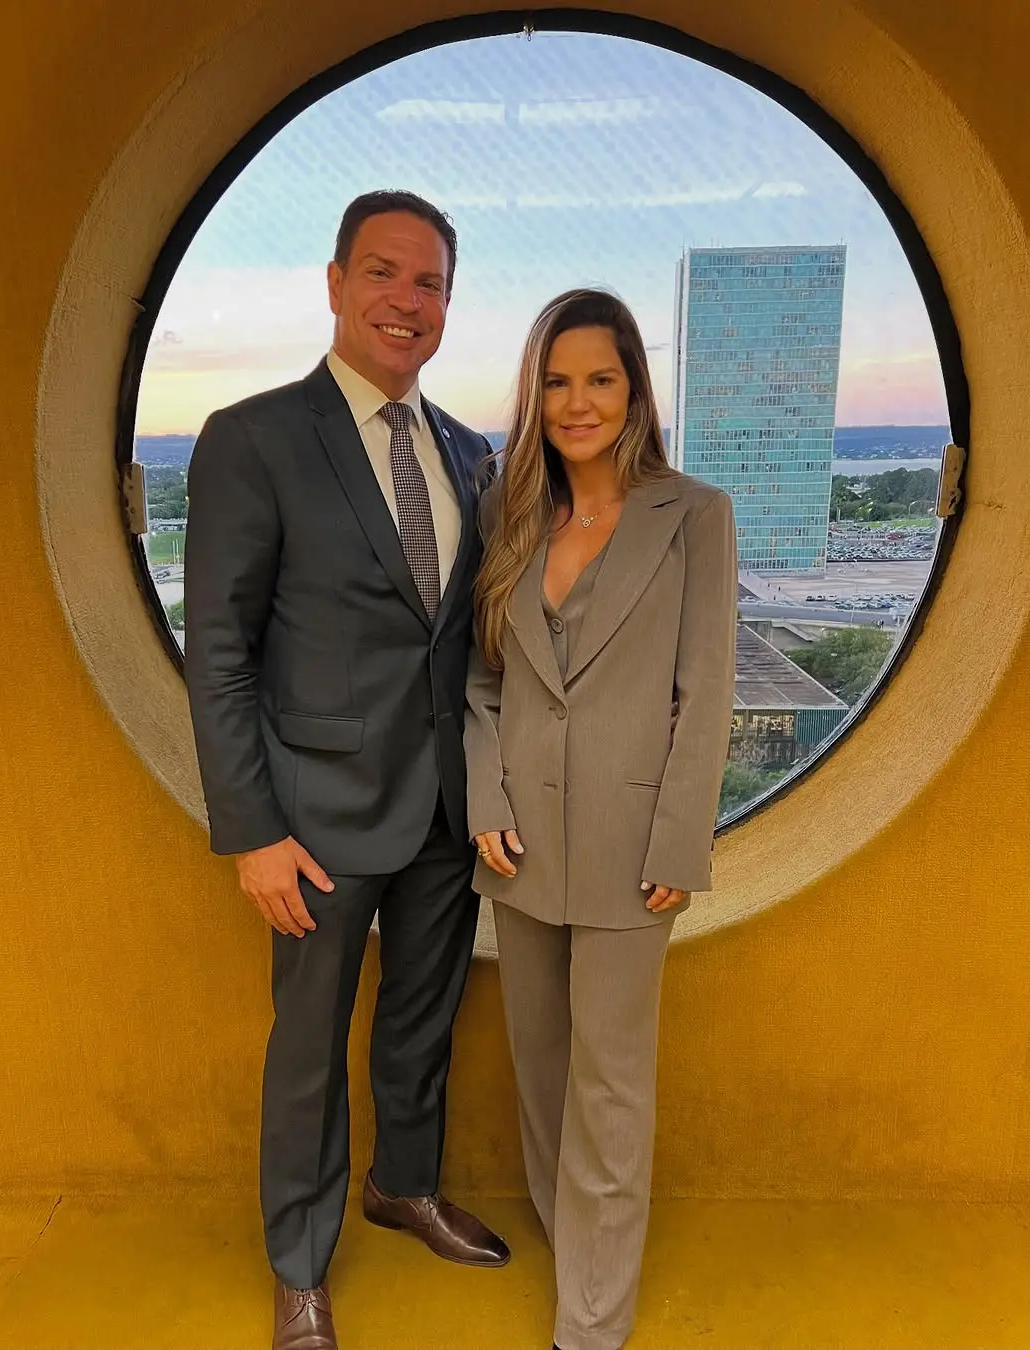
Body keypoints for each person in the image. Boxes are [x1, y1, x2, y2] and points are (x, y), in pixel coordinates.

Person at [184, 190, 510, 1350]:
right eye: (383, 272)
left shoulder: (473, 453)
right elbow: (220, 651)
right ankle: (300, 1263)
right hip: (313, 819)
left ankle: (402, 1186)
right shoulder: (253, 438)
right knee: (309, 1050)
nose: (406, 301)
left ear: (448, 305)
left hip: (446, 810)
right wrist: (251, 830)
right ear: (334, 283)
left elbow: (469, 642)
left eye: (429, 283)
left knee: (423, 1020)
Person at [465, 289, 738, 1350]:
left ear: (635, 392)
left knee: (611, 1087)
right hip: (520, 842)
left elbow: (704, 693)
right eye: (558, 381)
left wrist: (680, 840)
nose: (579, 402)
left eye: (602, 379)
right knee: (542, 1072)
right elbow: (482, 686)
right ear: (535, 395)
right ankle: (573, 1235)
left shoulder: (695, 516)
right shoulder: (508, 518)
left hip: (634, 850)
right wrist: (485, 798)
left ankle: (590, 1322)